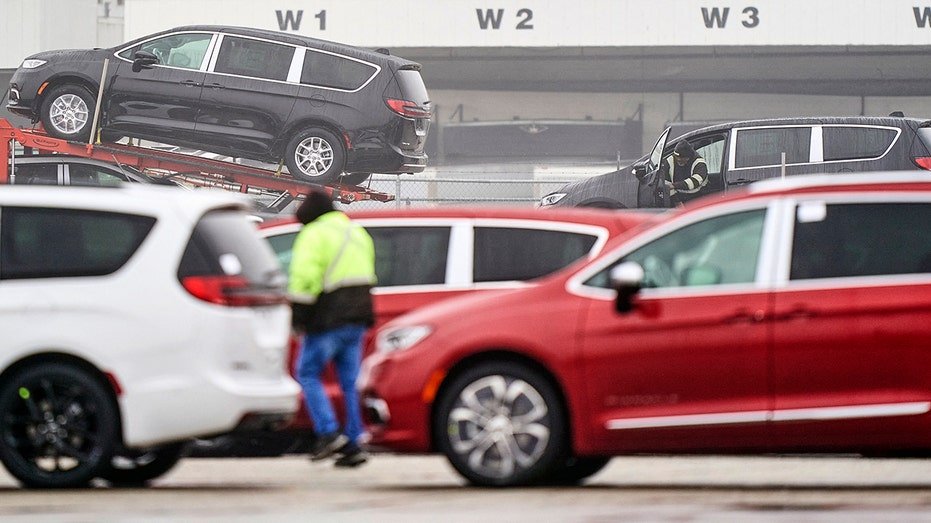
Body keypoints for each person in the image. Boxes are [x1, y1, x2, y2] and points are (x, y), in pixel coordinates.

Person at [288, 189, 377, 468]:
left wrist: (298, 315)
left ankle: (328, 433)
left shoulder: (314, 233)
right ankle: (353, 442)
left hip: (327, 318)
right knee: (350, 383)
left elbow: (305, 277)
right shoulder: (356, 231)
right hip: (358, 318)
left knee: (307, 372)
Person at [661, 140, 709, 205]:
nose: (678, 159)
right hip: (677, 197)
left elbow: (696, 181)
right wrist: (677, 202)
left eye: (682, 158)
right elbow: (666, 183)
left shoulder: (700, 163)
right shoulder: (669, 161)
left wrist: (674, 185)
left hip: (698, 198)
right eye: (677, 157)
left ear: (689, 157)